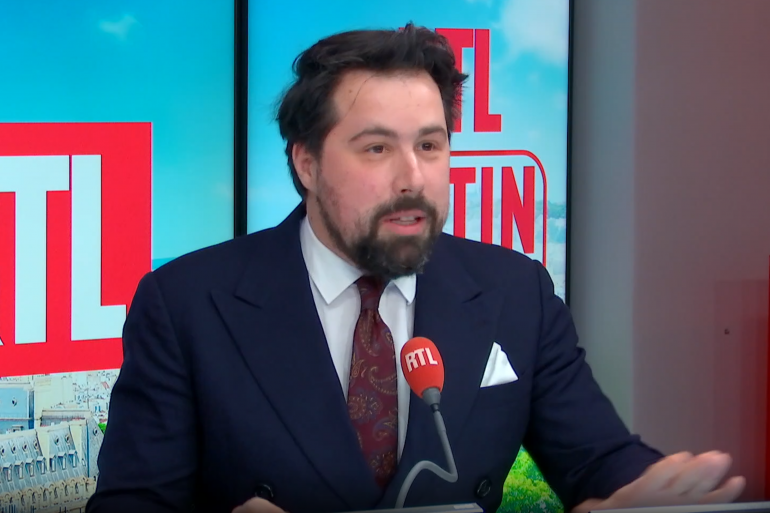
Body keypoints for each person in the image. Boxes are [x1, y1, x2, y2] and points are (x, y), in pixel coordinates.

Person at [86, 24, 745, 513]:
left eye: (430, 146)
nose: (413, 177)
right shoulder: (187, 302)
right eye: (377, 148)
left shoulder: (516, 291)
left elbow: (599, 459)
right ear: (306, 163)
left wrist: (655, 491)